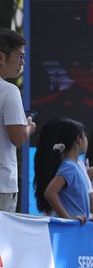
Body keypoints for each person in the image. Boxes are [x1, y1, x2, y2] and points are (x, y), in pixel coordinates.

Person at [33, 118, 93, 223]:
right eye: (85, 136)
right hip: (70, 228)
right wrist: (67, 218)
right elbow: (50, 193)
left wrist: (87, 217)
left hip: (77, 226)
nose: (87, 140)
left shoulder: (76, 166)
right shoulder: (69, 167)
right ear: (78, 139)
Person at [0, 28, 35, 212]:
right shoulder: (9, 91)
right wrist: (29, 127)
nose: (22, 63)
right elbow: (18, 138)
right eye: (19, 56)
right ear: (1, 57)